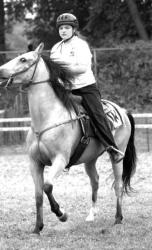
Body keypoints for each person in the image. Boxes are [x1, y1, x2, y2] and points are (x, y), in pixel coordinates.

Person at [50, 13, 124, 163]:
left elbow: (82, 68)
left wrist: (62, 68)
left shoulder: (80, 45)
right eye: (61, 28)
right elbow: (53, 70)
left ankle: (112, 148)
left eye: (66, 28)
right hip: (65, 88)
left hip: (85, 87)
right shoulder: (56, 48)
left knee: (97, 115)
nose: (63, 31)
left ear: (73, 29)